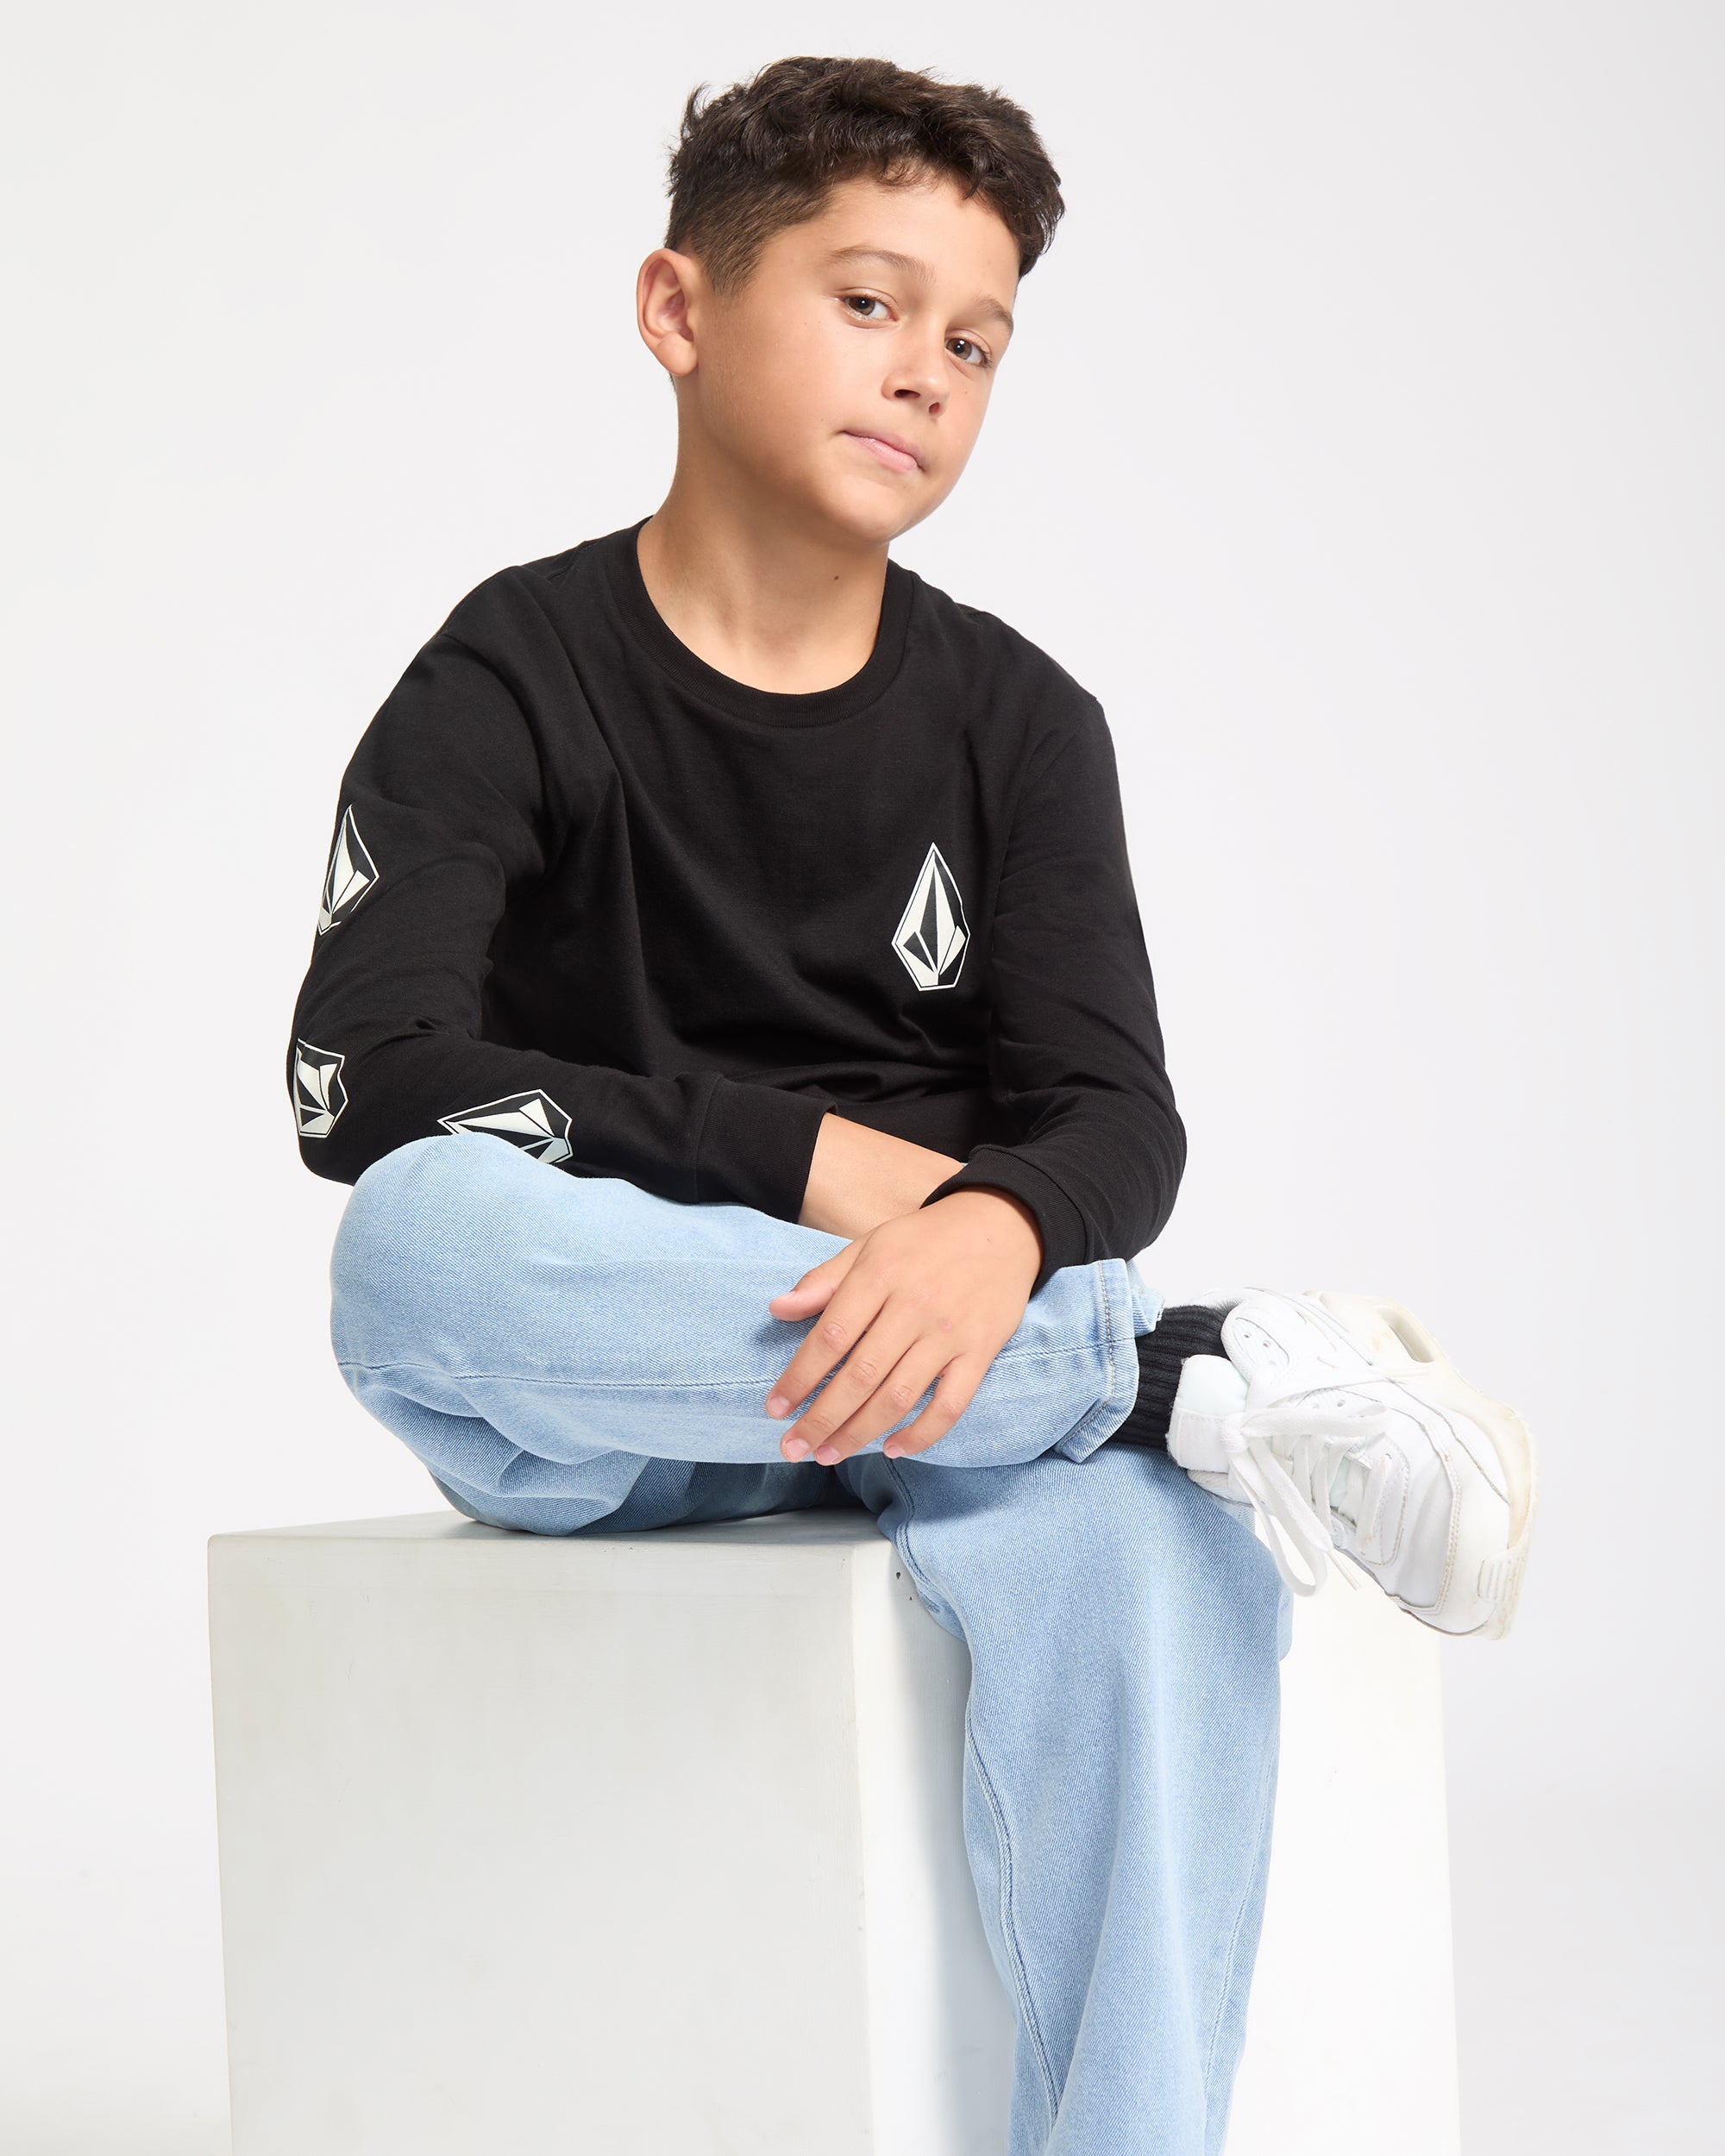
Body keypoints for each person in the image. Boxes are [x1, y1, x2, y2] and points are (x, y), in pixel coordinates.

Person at [286, 54, 1538, 2155]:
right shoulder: (511, 671)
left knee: (1171, 1570)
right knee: (410, 1242)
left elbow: (1110, 1112)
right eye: (869, 302)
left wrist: (989, 1230)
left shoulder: (1020, 719)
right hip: (634, 1385)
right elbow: (365, 1072)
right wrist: (819, 1166)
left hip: (954, 1369)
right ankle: (1161, 1372)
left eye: (974, 342)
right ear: (679, 307)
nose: (923, 375)